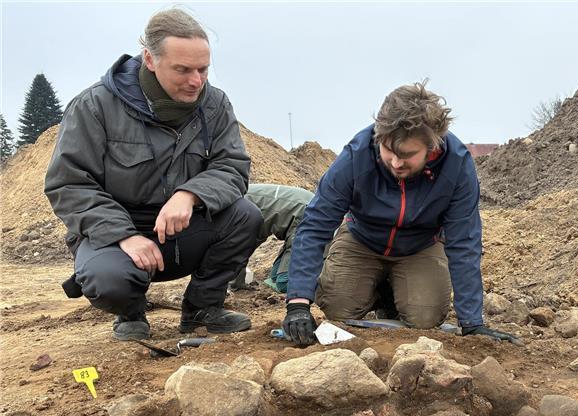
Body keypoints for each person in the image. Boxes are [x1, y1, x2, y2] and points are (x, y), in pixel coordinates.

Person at [44, 8, 262, 341]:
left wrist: (189, 195)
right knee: (108, 280)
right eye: (183, 70)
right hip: (117, 234)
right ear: (149, 59)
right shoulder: (94, 106)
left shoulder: (215, 105)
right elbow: (68, 183)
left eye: (203, 69)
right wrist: (123, 234)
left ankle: (202, 309)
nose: (196, 81)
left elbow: (232, 165)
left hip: (182, 229)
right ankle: (130, 311)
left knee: (246, 216)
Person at [281, 81, 518, 345]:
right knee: (338, 308)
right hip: (362, 238)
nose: (395, 162)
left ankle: (392, 291)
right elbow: (315, 224)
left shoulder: (457, 165)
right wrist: (298, 303)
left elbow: (464, 243)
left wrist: (472, 324)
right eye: (388, 150)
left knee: (425, 319)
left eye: (407, 154)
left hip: (420, 246)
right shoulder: (356, 155)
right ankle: (376, 287)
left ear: (432, 146)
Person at [230, 184, 314, 293]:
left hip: (295, 210)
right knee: (284, 281)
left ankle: (236, 283)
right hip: (296, 209)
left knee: (278, 276)